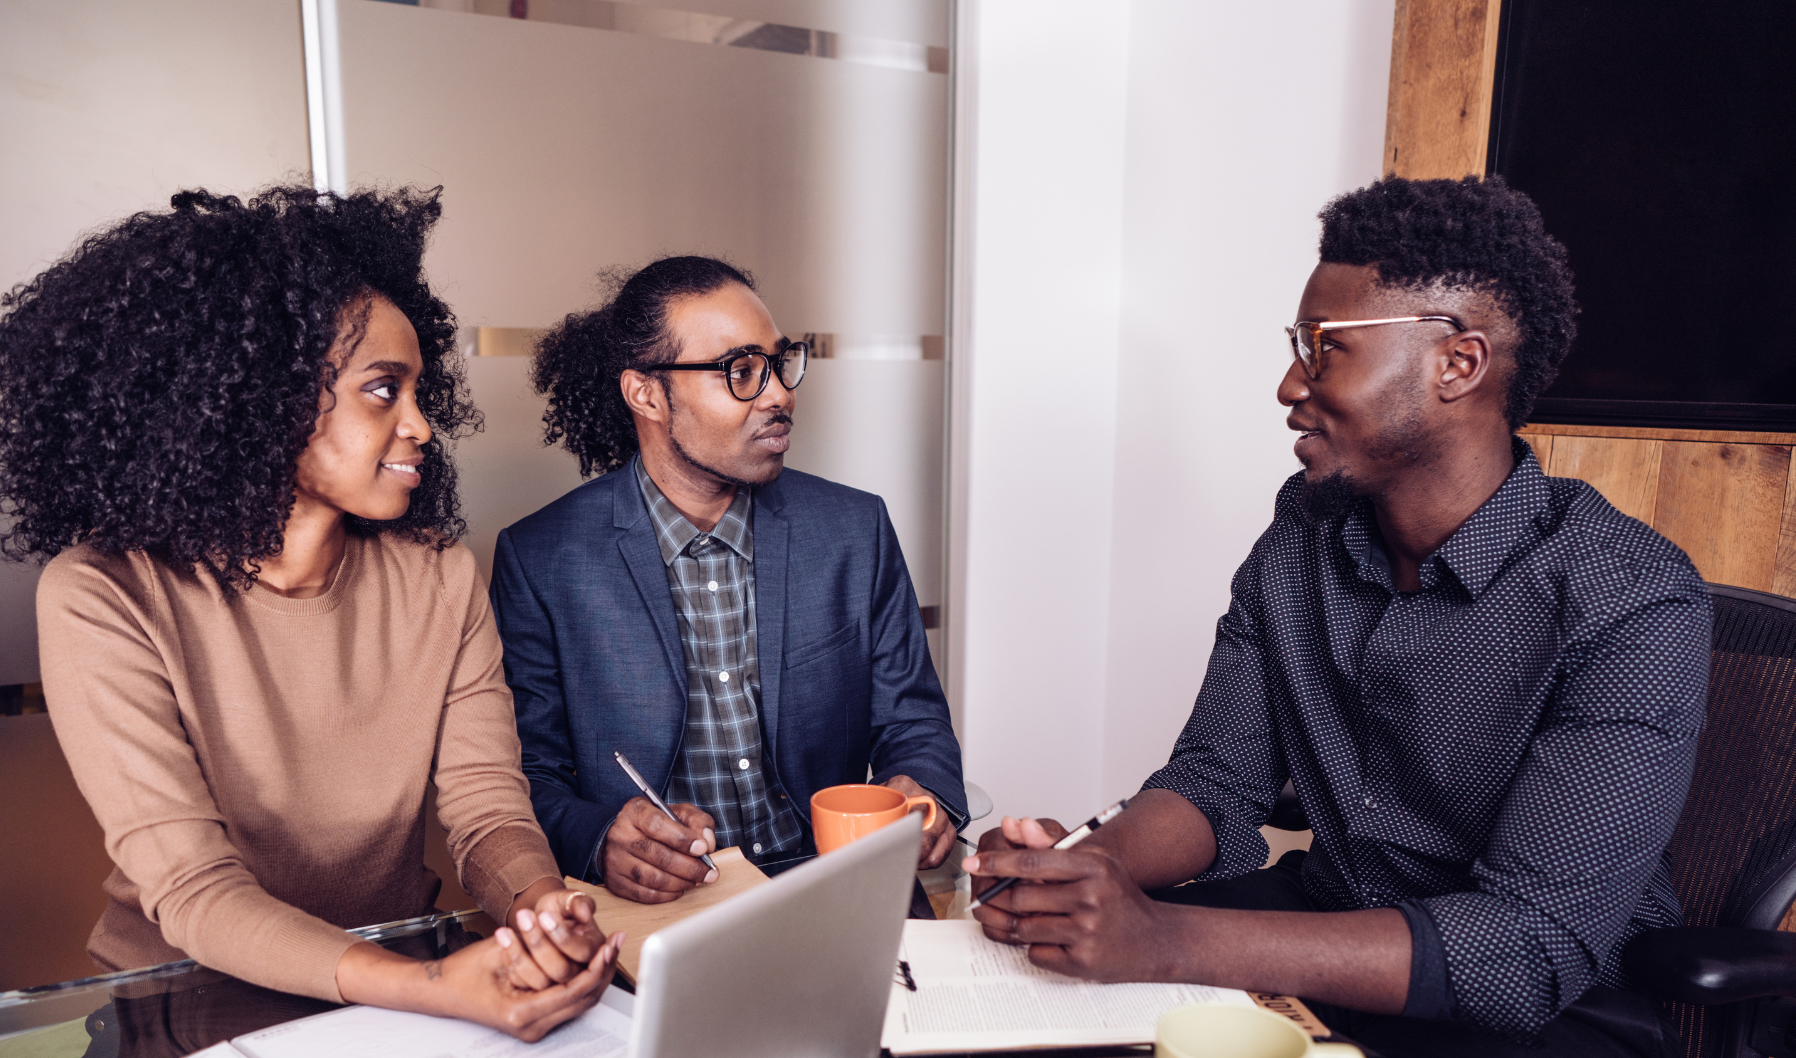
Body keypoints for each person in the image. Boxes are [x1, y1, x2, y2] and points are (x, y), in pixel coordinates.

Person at [964, 176, 1709, 1058]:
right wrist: (1091, 871)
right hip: (1326, 934)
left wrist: (1158, 936)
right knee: (1033, 999)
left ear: (1457, 364)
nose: (1289, 383)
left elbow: (1524, 951)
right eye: (1296, 345)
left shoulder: (1632, 598)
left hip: (1540, 1014)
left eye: (1324, 348)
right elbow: (1215, 780)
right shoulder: (1305, 531)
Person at [0, 186, 619, 1043]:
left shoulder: (439, 577)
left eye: (420, 390)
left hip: (397, 986)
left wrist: (542, 911)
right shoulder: (105, 593)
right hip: (186, 1010)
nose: (423, 425)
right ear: (257, 397)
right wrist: (427, 984)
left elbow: (488, 809)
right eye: (383, 389)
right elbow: (195, 889)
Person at [490, 256, 965, 903]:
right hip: (667, 915)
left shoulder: (854, 530)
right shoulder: (542, 557)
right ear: (647, 394)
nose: (779, 394)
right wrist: (601, 836)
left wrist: (923, 792)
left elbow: (913, 721)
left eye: (780, 362)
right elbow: (528, 776)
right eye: (741, 372)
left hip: (841, 891)